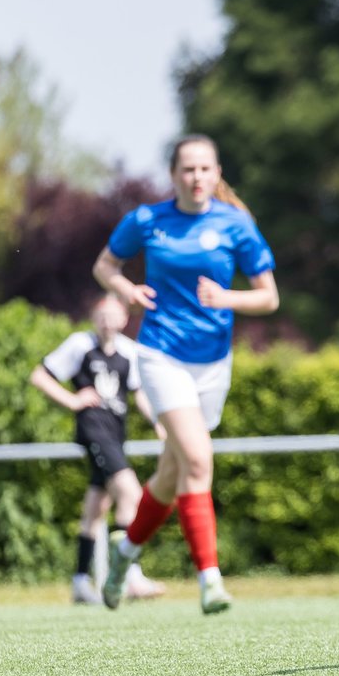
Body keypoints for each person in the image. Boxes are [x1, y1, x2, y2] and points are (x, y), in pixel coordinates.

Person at [92, 134, 278, 615]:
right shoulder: (148, 220)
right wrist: (126, 289)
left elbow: (269, 297)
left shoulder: (235, 225)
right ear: (173, 175)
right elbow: (105, 266)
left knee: (172, 474)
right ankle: (210, 581)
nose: (196, 178)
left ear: (217, 174)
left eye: (205, 169)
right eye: (187, 170)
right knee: (198, 460)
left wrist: (227, 298)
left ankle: (124, 554)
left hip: (213, 363)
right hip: (161, 355)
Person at [30, 294, 166, 605]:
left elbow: (138, 394)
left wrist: (159, 421)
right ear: (94, 317)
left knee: (96, 508)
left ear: (124, 319)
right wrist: (73, 401)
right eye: (101, 314)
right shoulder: (80, 344)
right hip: (94, 431)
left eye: (112, 315)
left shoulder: (129, 352)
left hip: (116, 435)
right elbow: (40, 376)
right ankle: (130, 573)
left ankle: (80, 581)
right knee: (131, 493)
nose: (106, 320)